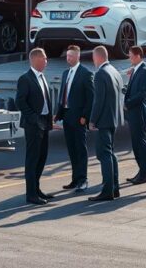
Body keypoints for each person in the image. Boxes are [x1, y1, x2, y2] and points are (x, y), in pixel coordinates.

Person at [16, 47, 55, 205]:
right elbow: (20, 101)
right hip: (33, 124)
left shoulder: (42, 76)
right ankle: (31, 194)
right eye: (44, 58)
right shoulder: (25, 79)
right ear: (36, 59)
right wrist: (33, 118)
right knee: (32, 159)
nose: (46, 61)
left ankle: (37, 189)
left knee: (42, 157)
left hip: (44, 123)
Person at [54, 45, 94, 192]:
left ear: (78, 56)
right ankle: (75, 179)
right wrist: (58, 115)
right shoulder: (66, 73)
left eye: (71, 56)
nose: (68, 58)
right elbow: (63, 96)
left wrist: (85, 116)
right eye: (67, 56)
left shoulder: (86, 73)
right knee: (71, 150)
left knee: (80, 149)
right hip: (67, 117)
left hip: (79, 118)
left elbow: (90, 98)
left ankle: (83, 180)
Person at [88, 46, 124, 201]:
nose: (93, 61)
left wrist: (92, 120)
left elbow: (98, 100)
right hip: (113, 118)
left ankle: (108, 190)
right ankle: (114, 188)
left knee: (103, 154)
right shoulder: (114, 71)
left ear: (98, 57)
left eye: (93, 58)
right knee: (110, 153)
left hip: (103, 120)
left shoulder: (100, 74)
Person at [123, 45, 146, 185]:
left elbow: (143, 93)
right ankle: (142, 171)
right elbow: (132, 91)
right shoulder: (135, 70)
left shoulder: (145, 72)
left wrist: (127, 103)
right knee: (135, 144)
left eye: (130, 55)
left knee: (140, 143)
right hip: (133, 112)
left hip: (139, 112)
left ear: (137, 56)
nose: (129, 57)